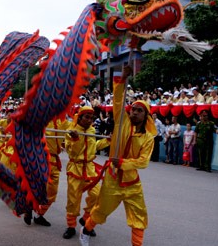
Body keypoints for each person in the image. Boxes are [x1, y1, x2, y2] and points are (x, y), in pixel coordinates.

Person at [79, 65, 156, 246]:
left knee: (139, 216)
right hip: (112, 179)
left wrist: (122, 162)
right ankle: (86, 230)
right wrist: (123, 79)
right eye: (133, 109)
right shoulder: (122, 123)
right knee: (101, 211)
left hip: (132, 183)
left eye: (140, 110)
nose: (134, 112)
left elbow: (143, 162)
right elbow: (119, 100)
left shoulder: (148, 138)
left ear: (146, 115)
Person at [62, 106, 109, 239]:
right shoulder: (70, 131)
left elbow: (94, 147)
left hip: (89, 168)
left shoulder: (92, 130)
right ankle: (71, 227)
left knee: (97, 194)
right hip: (75, 168)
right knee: (73, 199)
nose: (89, 120)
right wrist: (76, 139)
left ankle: (86, 218)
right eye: (86, 117)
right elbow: (73, 152)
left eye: (91, 117)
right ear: (80, 117)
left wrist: (107, 141)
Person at [27, 118, 69, 227]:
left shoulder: (65, 123)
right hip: (41, 158)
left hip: (54, 161)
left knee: (52, 192)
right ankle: (29, 206)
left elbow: (71, 136)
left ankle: (39, 214)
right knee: (37, 187)